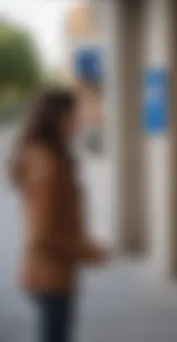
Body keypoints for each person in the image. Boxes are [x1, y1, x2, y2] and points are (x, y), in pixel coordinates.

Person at [12, 89, 108, 342]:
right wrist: (87, 251)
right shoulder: (48, 164)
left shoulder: (47, 156)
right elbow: (42, 234)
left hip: (50, 271)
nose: (82, 120)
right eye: (76, 114)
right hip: (50, 274)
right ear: (60, 118)